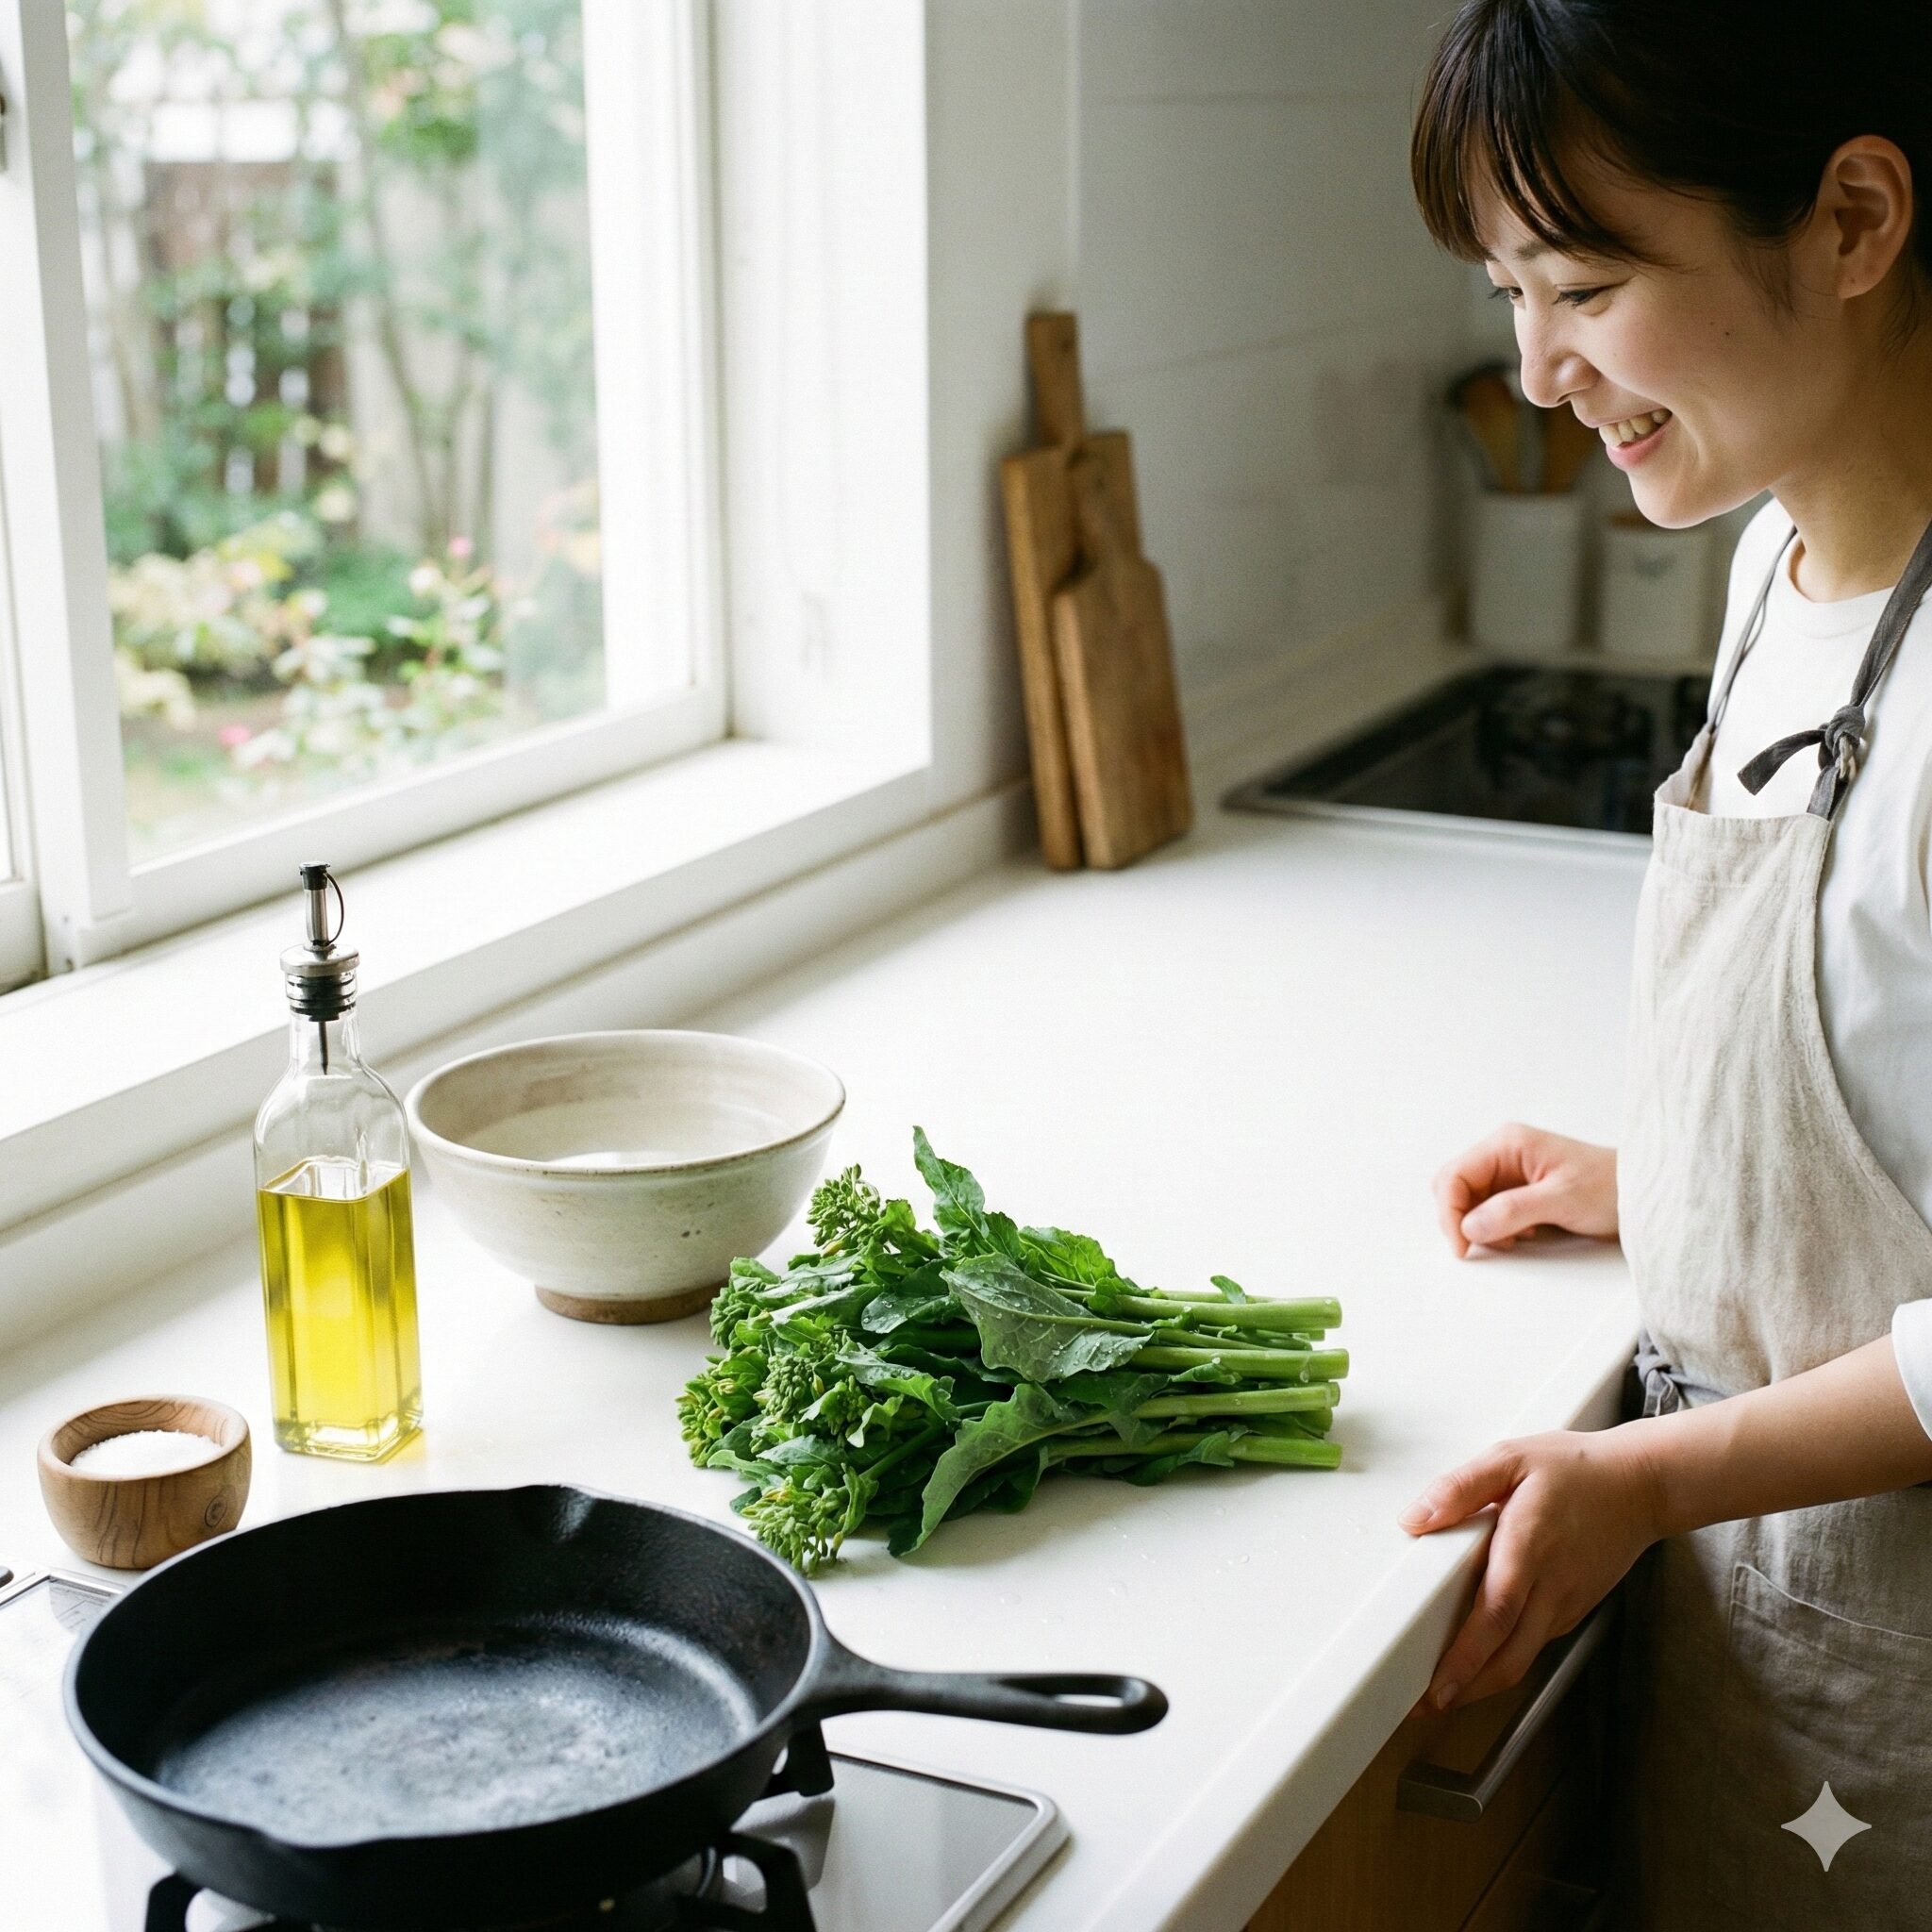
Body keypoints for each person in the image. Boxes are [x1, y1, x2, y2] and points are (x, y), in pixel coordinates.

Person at [1401, 2, 1932, 1924]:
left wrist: (1651, 1476)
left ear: (1855, 220)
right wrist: (1679, 1186)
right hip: (1774, 1651)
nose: (1537, 370)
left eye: (1584, 285)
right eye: (1505, 294)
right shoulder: (1767, 562)